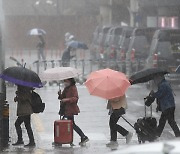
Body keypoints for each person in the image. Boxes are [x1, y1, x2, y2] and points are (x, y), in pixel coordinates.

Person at [58, 78, 89, 145]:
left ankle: (64, 140)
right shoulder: (66, 88)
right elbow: (62, 98)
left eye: (66, 81)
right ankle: (81, 137)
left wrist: (67, 100)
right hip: (66, 109)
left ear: (70, 81)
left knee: (68, 124)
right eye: (64, 81)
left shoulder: (73, 88)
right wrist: (60, 95)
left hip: (70, 109)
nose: (65, 83)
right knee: (71, 125)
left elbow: (75, 98)